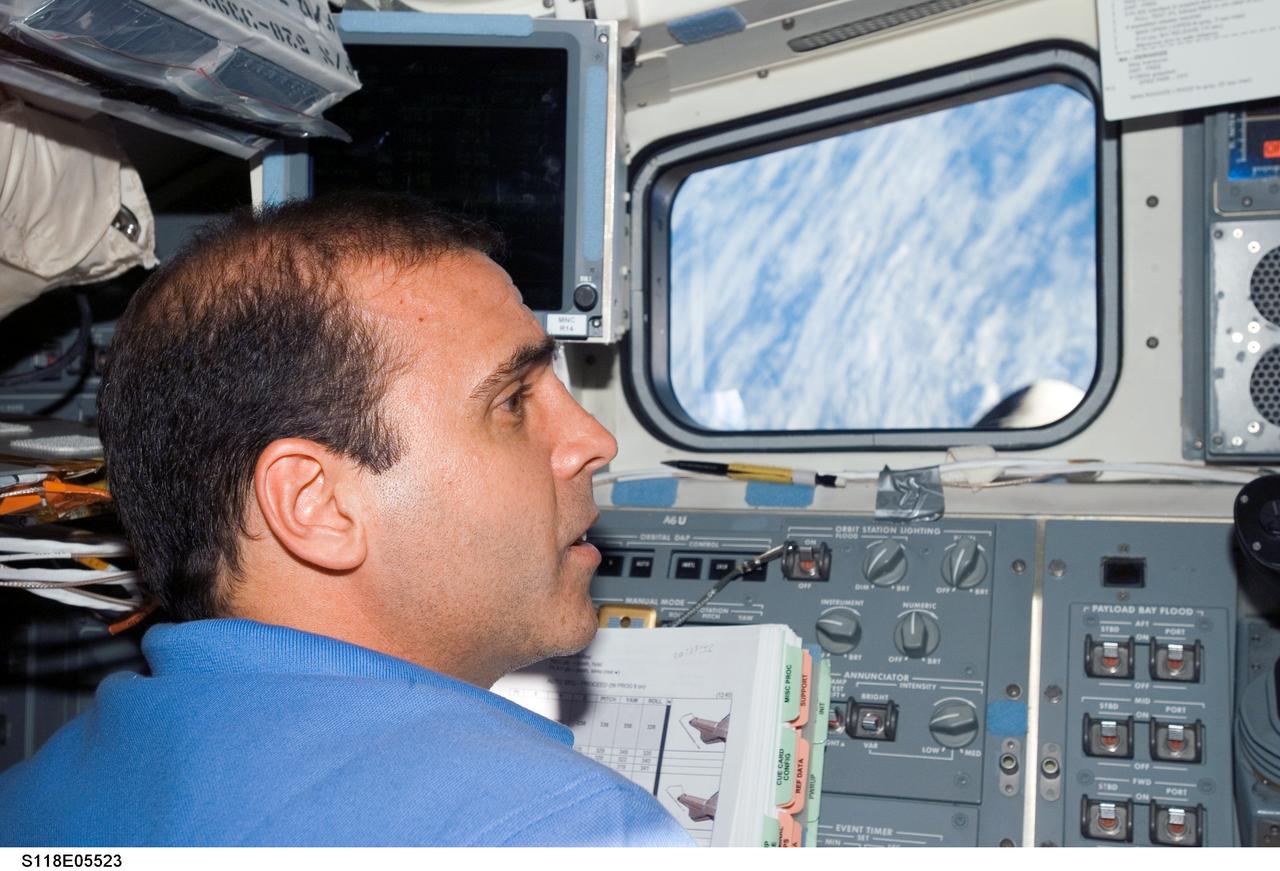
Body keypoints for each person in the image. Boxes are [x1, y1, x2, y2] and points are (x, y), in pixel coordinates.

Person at [0, 194, 694, 847]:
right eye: (512, 400)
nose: (594, 441)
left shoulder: (25, 802)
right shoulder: (572, 830)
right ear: (317, 504)